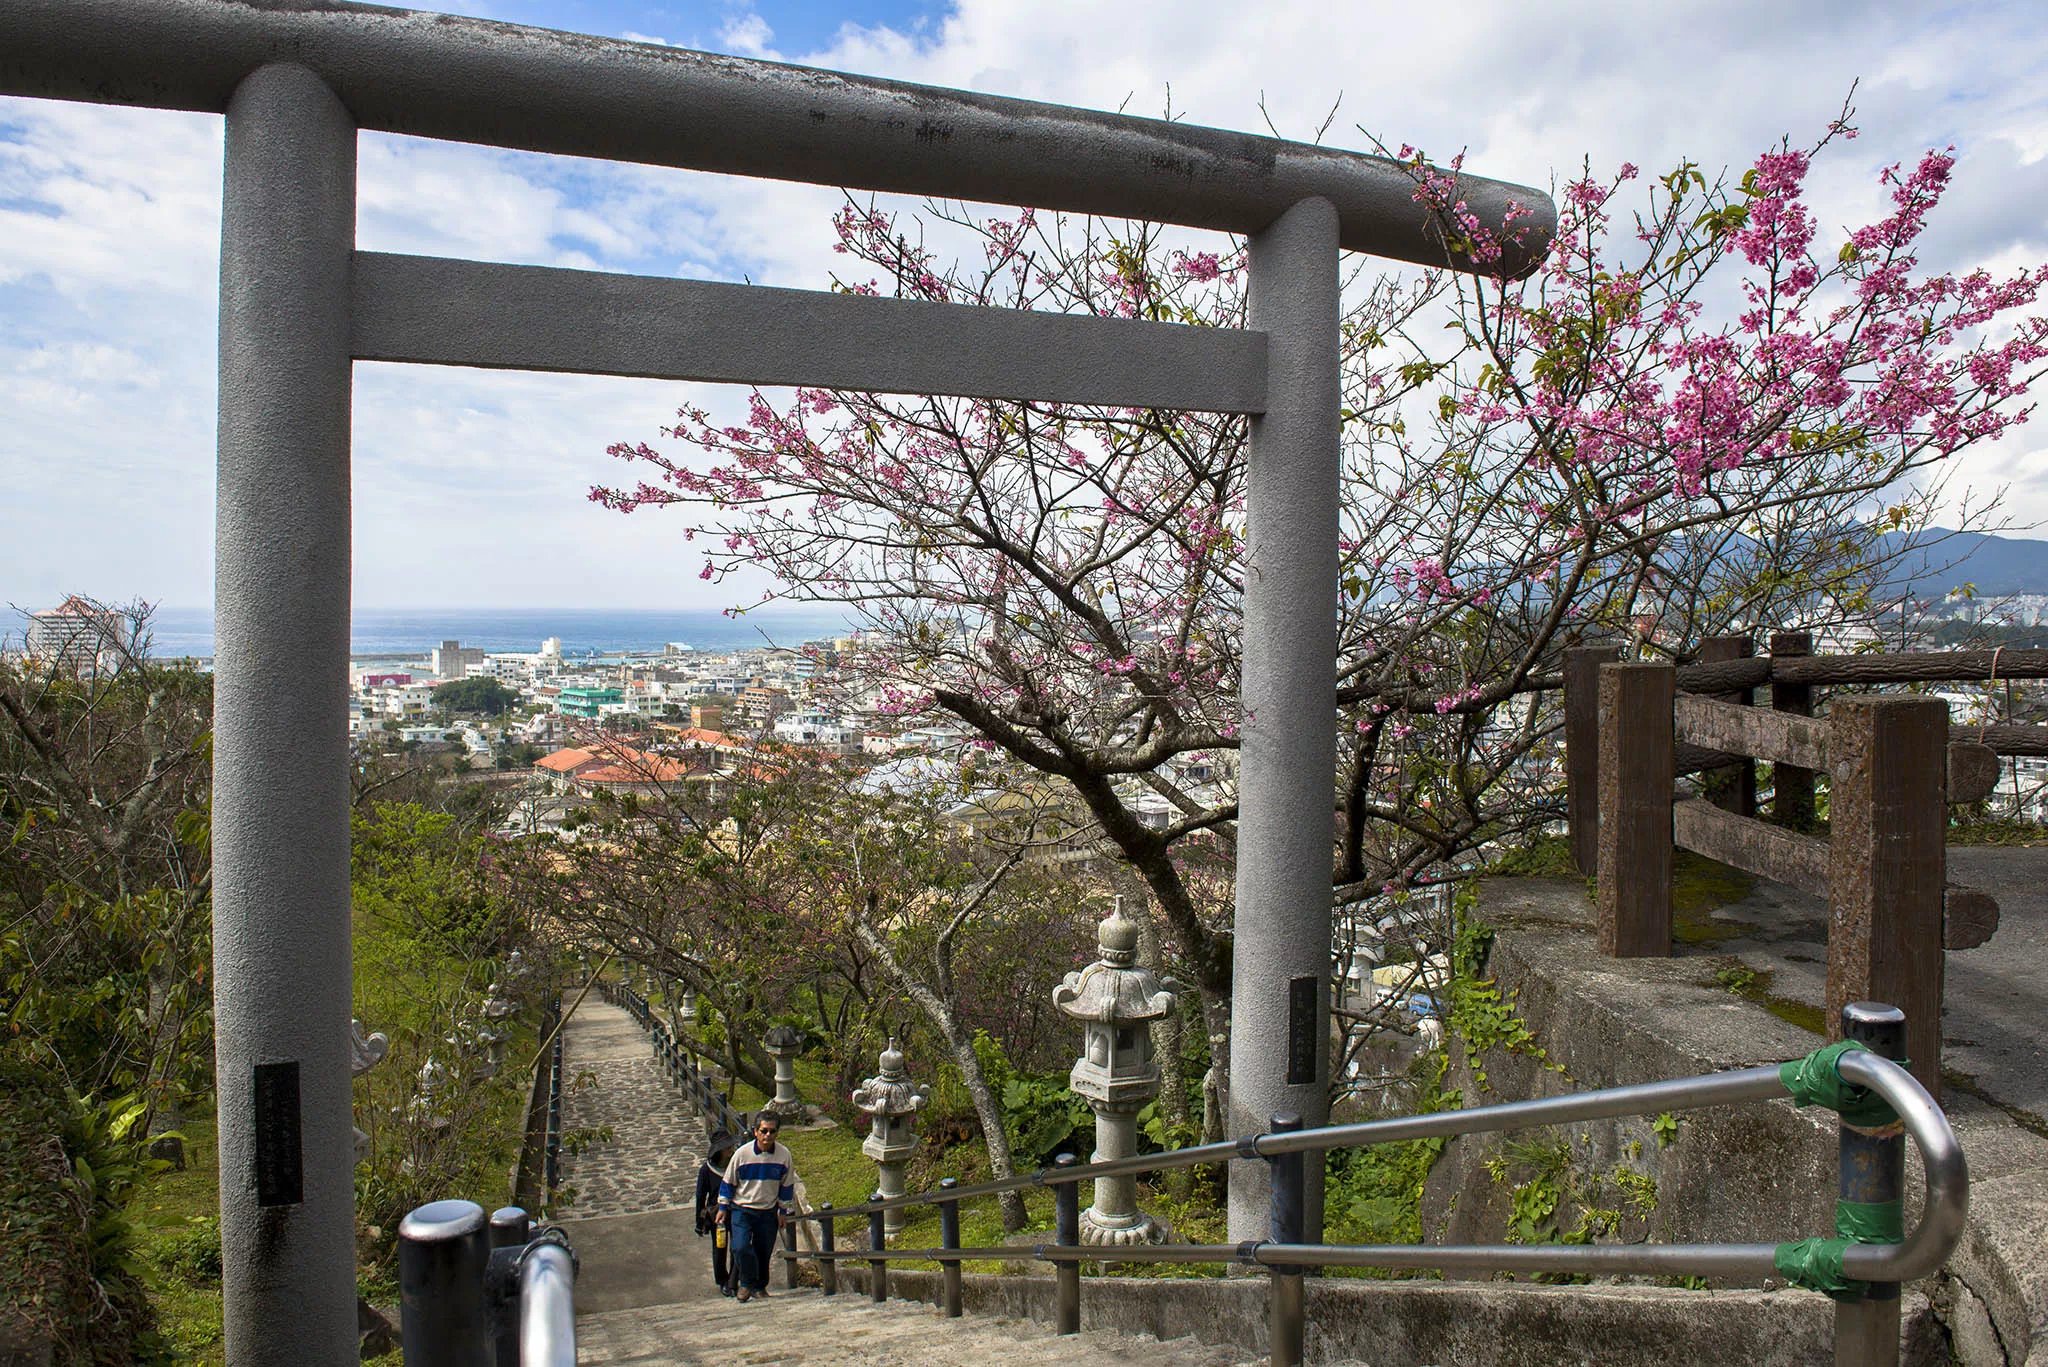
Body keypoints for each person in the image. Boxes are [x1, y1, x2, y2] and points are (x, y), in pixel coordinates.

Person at [716, 1114, 797, 1303]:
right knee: (740, 1246)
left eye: (772, 1131)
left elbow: (786, 1186)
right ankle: (746, 1282)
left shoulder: (784, 1155)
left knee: (763, 1250)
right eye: (764, 1131)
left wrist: (783, 1211)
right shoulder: (742, 1155)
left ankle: (759, 1286)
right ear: (755, 1132)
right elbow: (728, 1182)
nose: (767, 1135)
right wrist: (722, 1206)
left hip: (768, 1211)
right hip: (742, 1208)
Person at [693, 1131, 737, 1296]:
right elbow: (700, 1196)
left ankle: (733, 1279)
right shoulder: (706, 1169)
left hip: (735, 1209)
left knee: (736, 1246)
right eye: (727, 1148)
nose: (730, 1150)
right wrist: (699, 1221)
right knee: (720, 1247)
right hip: (716, 1214)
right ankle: (722, 1280)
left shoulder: (735, 1164)